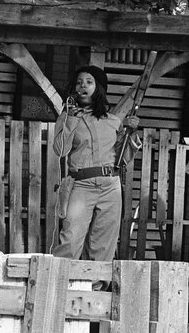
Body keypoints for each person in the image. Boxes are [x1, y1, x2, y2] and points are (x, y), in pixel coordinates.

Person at [52, 65, 139, 263]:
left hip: (111, 186)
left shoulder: (113, 121)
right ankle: (60, 285)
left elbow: (122, 158)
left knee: (103, 244)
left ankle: (97, 289)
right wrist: (71, 119)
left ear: (98, 88)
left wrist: (131, 133)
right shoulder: (67, 118)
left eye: (89, 82)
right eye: (79, 83)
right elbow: (60, 150)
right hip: (81, 185)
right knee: (71, 240)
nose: (83, 86)